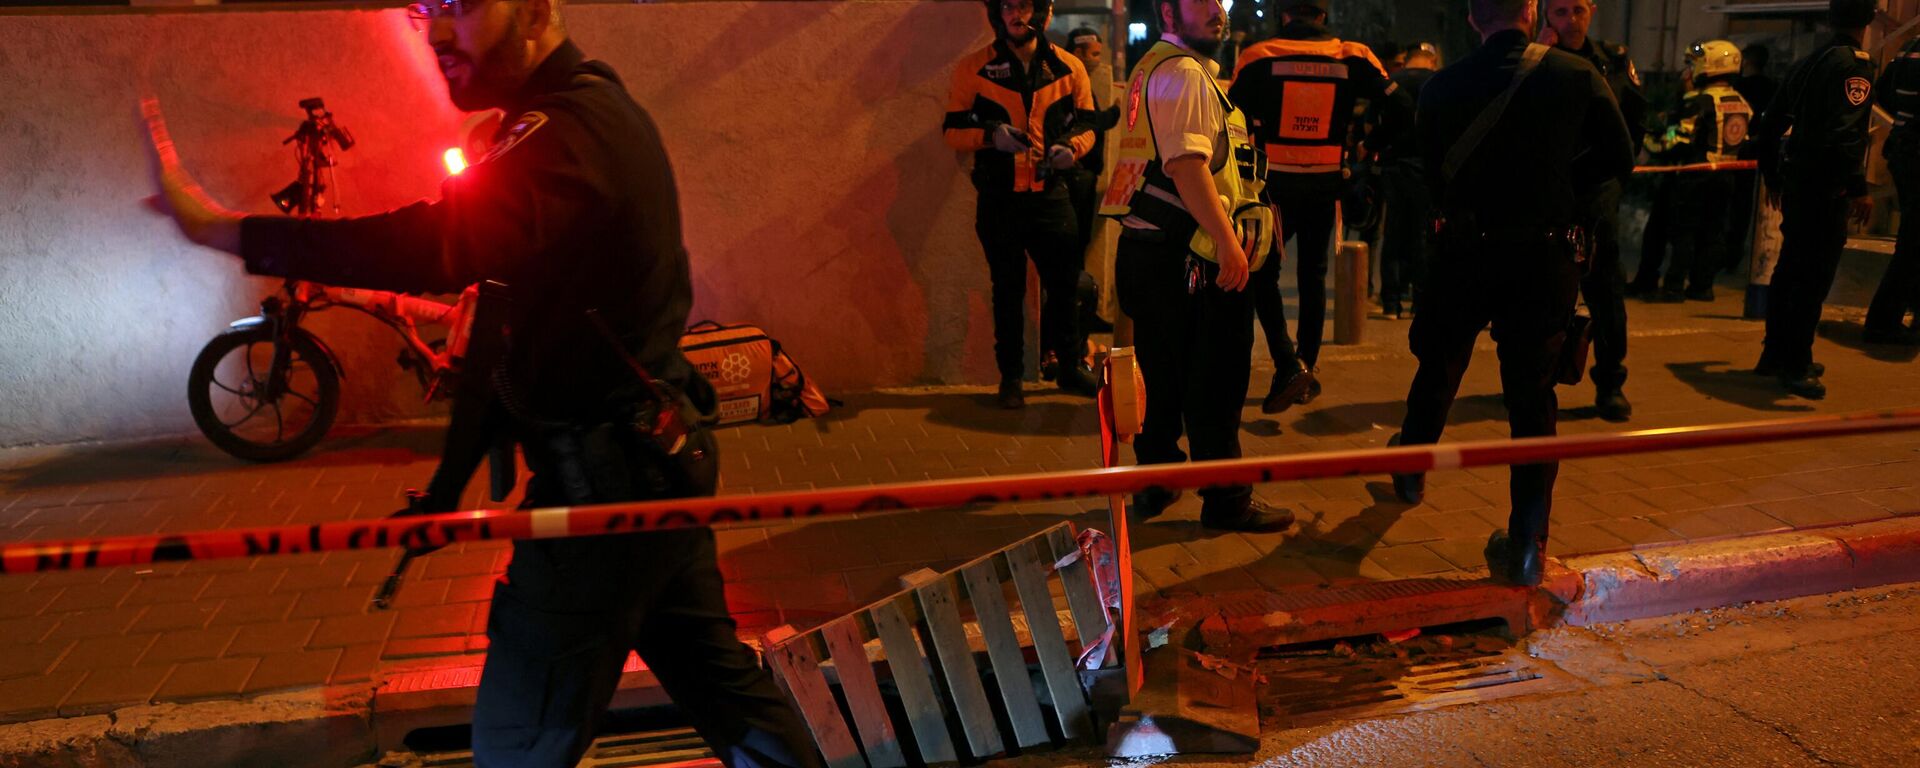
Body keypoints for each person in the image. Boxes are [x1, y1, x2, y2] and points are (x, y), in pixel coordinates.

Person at [143, 2, 821, 766]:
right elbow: (502, 330)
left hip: (609, 492)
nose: (432, 35)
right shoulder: (564, 121)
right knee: (727, 696)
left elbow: (435, 246)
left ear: (534, 11)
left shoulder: (569, 132)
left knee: (515, 743)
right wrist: (449, 483)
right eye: (423, 10)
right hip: (646, 467)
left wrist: (231, 231)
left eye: (459, 8)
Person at [1389, 0, 1634, 586]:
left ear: (1473, 17)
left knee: (1440, 367)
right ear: (1532, 9)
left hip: (1464, 253)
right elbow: (1617, 158)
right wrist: (1560, 193)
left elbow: (1428, 170)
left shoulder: (1441, 87)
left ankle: (1410, 466)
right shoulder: (1577, 76)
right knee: (1532, 399)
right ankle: (1527, 543)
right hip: (1543, 256)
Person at [1101, 0, 1294, 532]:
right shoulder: (1185, 74)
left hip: (1148, 251)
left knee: (1164, 378)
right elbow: (1187, 167)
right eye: (1202, 1)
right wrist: (1228, 243)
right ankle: (1227, 502)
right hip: (1192, 257)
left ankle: (1156, 482)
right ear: (1168, 10)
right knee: (1216, 383)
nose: (1217, 10)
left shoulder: (1151, 68)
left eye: (1221, 2)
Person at [1228, 0, 1411, 414]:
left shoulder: (1259, 57)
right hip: (1327, 183)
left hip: (1272, 186)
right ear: (1323, 15)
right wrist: (1367, 148)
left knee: (1261, 274)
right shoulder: (1352, 55)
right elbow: (1402, 110)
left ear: (1282, 13)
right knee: (1313, 276)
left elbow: (1230, 119)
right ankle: (1304, 366)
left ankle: (1286, 363)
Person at [944, 0, 1102, 409]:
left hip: (1053, 196)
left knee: (1066, 288)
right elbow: (951, 129)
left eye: (1026, 5)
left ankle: (1069, 366)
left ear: (1045, 12)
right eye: (1007, 6)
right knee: (1008, 291)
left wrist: (1072, 147)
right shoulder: (973, 67)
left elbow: (1089, 124)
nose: (1016, 15)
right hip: (1000, 200)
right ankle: (1010, 377)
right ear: (996, 13)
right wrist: (990, 135)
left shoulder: (1070, 67)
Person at [1748, 0, 1878, 399]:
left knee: (1791, 269)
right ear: (1869, 19)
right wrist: (1858, 187)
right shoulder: (1854, 65)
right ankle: (1796, 363)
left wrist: (1772, 174)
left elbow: (1768, 123)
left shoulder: (1811, 61)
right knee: (1812, 277)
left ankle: (1775, 352)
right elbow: (1845, 135)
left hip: (1798, 182)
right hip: (1825, 187)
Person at [1539, 0, 1645, 422]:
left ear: (1592, 11)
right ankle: (1538, 379)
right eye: (1561, 11)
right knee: (1544, 294)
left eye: (1578, 10)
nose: (1570, 20)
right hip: (1549, 194)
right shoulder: (1532, 59)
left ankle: (1610, 383)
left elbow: (1636, 118)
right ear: (1546, 14)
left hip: (1598, 194)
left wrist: (1617, 175)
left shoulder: (1613, 61)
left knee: (1605, 291)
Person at [1642, 41, 1752, 303]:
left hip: (1695, 176)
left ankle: (1674, 286)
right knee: (1714, 232)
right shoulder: (1740, 102)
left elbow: (1679, 139)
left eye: (1692, 63)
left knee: (1685, 232)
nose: (1689, 70)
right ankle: (1702, 287)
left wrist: (1648, 141)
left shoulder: (1699, 100)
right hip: (1726, 176)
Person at [1366, 42, 1440, 320]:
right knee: (1423, 235)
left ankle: (1391, 303)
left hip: (1393, 166)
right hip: (1425, 168)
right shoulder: (1439, 82)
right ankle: (1420, 303)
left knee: (1393, 233)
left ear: (1407, 60)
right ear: (1431, 61)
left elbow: (1372, 125)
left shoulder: (1390, 82)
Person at [1067, 27, 1124, 335]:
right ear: (1078, 52)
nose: (1097, 61)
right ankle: (1075, 326)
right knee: (1072, 250)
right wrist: (1114, 114)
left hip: (1084, 175)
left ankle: (1081, 319)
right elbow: (1087, 123)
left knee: (1078, 248)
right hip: (1076, 175)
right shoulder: (1071, 81)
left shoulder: (1082, 80)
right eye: (1094, 54)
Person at [1866, 32, 1920, 345]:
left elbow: (1884, 93)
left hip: (1903, 150)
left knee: (1913, 239)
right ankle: (1882, 322)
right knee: (1913, 244)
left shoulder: (1909, 45)